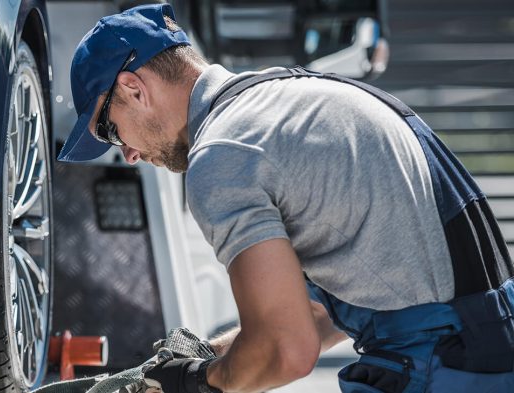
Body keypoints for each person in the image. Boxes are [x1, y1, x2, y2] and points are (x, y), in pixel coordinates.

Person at [58, 4, 513, 393]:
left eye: (109, 131)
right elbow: (339, 305)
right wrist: (209, 354)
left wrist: (197, 381)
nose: (130, 154)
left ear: (133, 88)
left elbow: (287, 350)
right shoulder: (292, 96)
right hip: (487, 349)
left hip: (440, 369)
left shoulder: (222, 156)